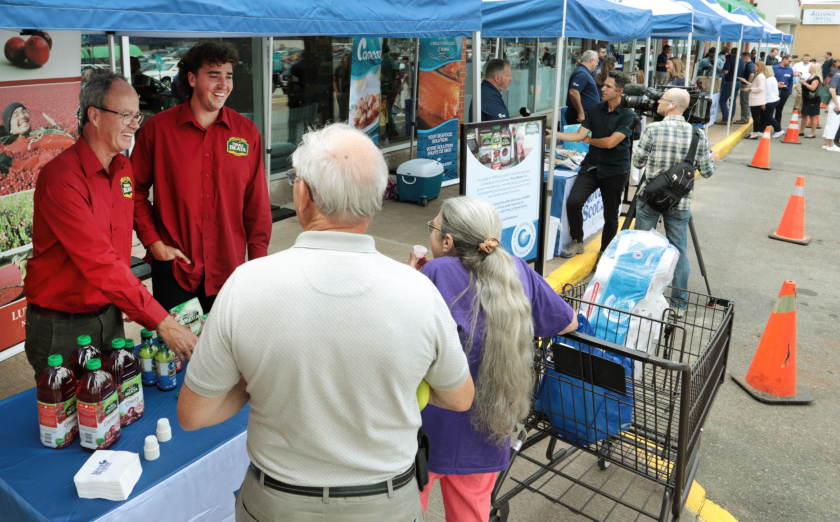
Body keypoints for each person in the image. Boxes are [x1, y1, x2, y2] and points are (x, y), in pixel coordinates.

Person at [178, 124, 474, 521]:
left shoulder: (246, 285)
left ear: (302, 196)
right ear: (375, 200)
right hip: (386, 505)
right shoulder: (419, 293)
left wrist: (256, 383)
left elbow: (194, 414)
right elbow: (459, 397)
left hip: (277, 504)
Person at [407, 196, 577, 521]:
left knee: (409, 511)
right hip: (488, 429)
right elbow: (566, 320)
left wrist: (414, 277)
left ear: (447, 241)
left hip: (429, 430)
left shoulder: (437, 272)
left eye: (434, 227)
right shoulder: (517, 269)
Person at [23, 72, 196, 378]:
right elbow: (99, 261)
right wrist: (162, 322)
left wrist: (154, 243)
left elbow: (129, 220)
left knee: (111, 410)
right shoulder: (62, 179)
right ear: (95, 116)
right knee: (68, 418)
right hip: (62, 325)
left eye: (137, 115)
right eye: (126, 115)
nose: (135, 123)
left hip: (109, 315)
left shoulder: (123, 167)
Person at [132, 41, 272, 318]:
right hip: (175, 272)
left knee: (226, 356)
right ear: (192, 78)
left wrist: (257, 267)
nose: (223, 84)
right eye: (214, 75)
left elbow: (256, 206)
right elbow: (131, 190)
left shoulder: (246, 133)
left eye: (228, 76)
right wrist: (154, 243)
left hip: (230, 273)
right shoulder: (157, 130)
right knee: (177, 357)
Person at [632, 88, 718, 310]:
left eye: (662, 100)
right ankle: (679, 304)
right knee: (679, 250)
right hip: (680, 203)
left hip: (650, 199)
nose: (657, 102)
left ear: (671, 105)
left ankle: (636, 296)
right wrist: (711, 158)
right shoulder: (698, 135)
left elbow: (638, 162)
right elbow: (708, 171)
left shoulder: (653, 129)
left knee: (641, 246)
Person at [555, 71, 635, 258]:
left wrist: (589, 141)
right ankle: (577, 241)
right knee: (574, 202)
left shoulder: (628, 114)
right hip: (592, 166)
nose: (603, 88)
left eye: (608, 86)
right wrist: (554, 135)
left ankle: (604, 253)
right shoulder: (597, 109)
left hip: (615, 170)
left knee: (611, 217)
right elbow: (578, 135)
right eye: (603, 85)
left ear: (620, 91)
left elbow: (609, 143)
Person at [821, 59, 840, 152]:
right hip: (836, 101)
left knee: (832, 122)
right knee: (834, 123)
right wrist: (837, 104)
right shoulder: (837, 77)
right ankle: (831, 145)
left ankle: (827, 143)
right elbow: (832, 90)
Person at [565, 50, 601, 124]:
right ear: (591, 60)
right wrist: (581, 112)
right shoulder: (582, 73)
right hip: (580, 115)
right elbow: (573, 92)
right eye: (597, 61)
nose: (597, 64)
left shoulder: (584, 72)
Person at [770, 55, 794, 136]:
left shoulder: (790, 70)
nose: (789, 63)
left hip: (784, 92)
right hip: (774, 91)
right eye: (789, 61)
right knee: (770, 110)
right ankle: (766, 126)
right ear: (784, 59)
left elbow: (791, 81)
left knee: (779, 111)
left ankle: (777, 129)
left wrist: (789, 91)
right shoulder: (774, 68)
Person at [798, 63, 823, 139]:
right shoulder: (811, 77)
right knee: (804, 114)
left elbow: (813, 88)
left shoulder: (816, 78)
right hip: (807, 99)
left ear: (814, 69)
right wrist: (801, 77)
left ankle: (812, 133)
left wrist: (804, 83)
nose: (809, 68)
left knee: (813, 115)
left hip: (813, 100)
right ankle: (801, 131)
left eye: (810, 67)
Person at [747, 61, 769, 139]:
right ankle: (755, 131)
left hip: (757, 99)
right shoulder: (759, 75)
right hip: (756, 99)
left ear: (759, 67)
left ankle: (755, 133)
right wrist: (747, 83)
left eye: (755, 66)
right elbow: (756, 85)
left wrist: (750, 89)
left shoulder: (760, 76)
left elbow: (760, 88)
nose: (753, 67)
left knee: (755, 117)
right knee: (755, 116)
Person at [333, 51, 351, 122]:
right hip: (341, 93)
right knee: (342, 111)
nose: (346, 60)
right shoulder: (338, 69)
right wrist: (336, 91)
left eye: (348, 58)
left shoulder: (351, 69)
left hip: (349, 93)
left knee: (348, 111)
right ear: (343, 59)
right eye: (345, 58)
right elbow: (334, 81)